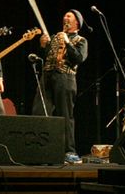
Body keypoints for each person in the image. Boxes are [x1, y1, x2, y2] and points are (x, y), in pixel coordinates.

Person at [31, 9, 88, 164]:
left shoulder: (81, 40)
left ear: (77, 22)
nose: (65, 17)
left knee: (65, 115)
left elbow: (78, 58)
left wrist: (68, 42)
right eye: (64, 16)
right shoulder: (55, 37)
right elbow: (47, 57)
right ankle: (40, 149)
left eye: (69, 16)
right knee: (40, 111)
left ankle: (69, 151)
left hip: (65, 77)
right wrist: (43, 46)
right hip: (47, 76)